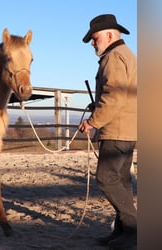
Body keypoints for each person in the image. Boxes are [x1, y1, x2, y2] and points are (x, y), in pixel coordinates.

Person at [78, 14, 137, 248]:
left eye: (95, 38)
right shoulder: (126, 56)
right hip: (127, 127)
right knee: (120, 181)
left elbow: (114, 96)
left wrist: (92, 121)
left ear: (110, 35)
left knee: (106, 178)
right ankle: (123, 232)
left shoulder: (113, 57)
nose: (93, 43)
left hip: (117, 129)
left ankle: (134, 229)